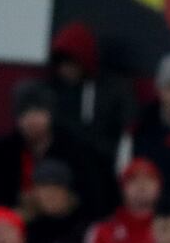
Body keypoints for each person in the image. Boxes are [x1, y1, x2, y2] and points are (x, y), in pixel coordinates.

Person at [0, 79, 114, 218]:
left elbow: (93, 198)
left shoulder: (75, 150)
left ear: (50, 114)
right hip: (13, 223)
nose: (32, 119)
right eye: (25, 113)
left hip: (67, 225)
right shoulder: (0, 152)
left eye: (38, 111)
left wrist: (65, 203)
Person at [118, 44, 170, 210]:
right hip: (146, 211)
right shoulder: (140, 129)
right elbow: (124, 174)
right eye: (169, 87)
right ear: (159, 89)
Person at [48, 21, 136, 167]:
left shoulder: (114, 89)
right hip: (63, 163)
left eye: (71, 63)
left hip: (105, 163)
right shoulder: (54, 91)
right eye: (61, 64)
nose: (66, 70)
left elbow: (128, 127)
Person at [84, 158, 161, 243]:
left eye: (149, 179)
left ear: (159, 186)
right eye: (133, 180)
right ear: (122, 188)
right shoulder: (101, 231)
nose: (142, 186)